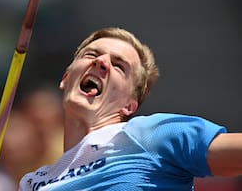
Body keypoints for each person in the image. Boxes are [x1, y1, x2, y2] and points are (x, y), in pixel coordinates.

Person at [18, 27, 242, 191]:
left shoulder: (152, 135)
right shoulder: (33, 182)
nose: (101, 62)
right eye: (91, 54)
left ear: (130, 105)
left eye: (118, 66)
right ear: (66, 78)